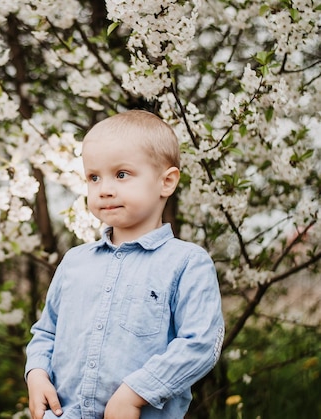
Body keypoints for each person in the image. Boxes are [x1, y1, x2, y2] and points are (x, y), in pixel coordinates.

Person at [25, 110, 224, 419]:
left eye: (121, 174)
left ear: (166, 182)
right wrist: (36, 372)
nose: (104, 188)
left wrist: (136, 392)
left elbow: (201, 343)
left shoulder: (186, 263)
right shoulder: (75, 262)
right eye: (94, 177)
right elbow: (47, 331)